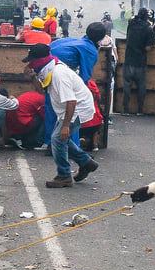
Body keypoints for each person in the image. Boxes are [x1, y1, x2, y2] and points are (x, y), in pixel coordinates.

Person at [26, 41, 100, 188]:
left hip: (77, 108)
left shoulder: (59, 74)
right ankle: (86, 162)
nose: (30, 65)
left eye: (31, 62)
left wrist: (66, 125)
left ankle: (64, 175)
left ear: (39, 60)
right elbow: (42, 91)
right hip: (68, 109)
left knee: (58, 139)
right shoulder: (49, 69)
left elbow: (71, 101)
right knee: (61, 139)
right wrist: (32, 77)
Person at [123, 9, 155, 115]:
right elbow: (147, 48)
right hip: (140, 62)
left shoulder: (131, 25)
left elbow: (128, 38)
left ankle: (125, 110)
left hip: (128, 60)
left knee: (126, 85)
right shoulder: (148, 29)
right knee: (141, 86)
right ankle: (140, 110)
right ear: (147, 17)